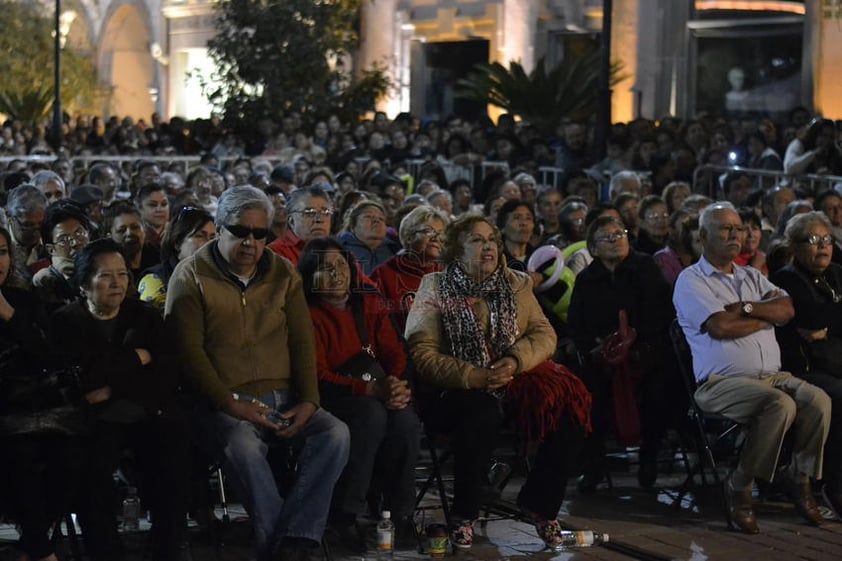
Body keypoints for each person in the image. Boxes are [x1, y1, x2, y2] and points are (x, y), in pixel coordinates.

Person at [165, 186, 349, 561]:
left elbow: (301, 342)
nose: (251, 242)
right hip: (224, 399)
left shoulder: (283, 272)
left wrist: (310, 401)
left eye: (260, 233)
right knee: (244, 447)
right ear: (219, 229)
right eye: (240, 232)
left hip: (284, 396)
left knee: (336, 433)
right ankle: (290, 544)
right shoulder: (191, 275)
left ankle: (291, 539)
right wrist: (230, 403)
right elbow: (189, 354)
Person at [405, 214, 591, 551]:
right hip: (457, 388)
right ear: (456, 249)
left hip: (514, 379)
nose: (487, 245)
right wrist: (474, 375)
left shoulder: (517, 282)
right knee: (481, 414)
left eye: (491, 239)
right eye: (476, 240)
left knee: (567, 412)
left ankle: (539, 504)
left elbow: (543, 333)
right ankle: (464, 514)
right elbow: (423, 352)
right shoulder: (435, 286)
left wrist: (515, 360)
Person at [674, 202, 831, 534]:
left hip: (772, 376)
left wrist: (746, 308)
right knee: (780, 404)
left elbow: (787, 310)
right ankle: (740, 485)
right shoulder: (691, 280)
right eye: (726, 228)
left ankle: (798, 477)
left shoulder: (750, 276)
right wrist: (763, 318)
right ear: (703, 236)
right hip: (720, 383)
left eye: (739, 228)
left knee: (819, 401)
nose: (736, 235)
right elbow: (720, 327)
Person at [51, 239, 190, 561]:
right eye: (106, 276)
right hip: (95, 421)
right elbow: (82, 380)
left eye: (122, 274)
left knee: (175, 461)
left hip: (148, 412)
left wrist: (113, 387)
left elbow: (166, 374)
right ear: (85, 284)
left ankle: (164, 551)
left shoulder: (144, 317)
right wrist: (136, 359)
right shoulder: (66, 321)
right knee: (89, 476)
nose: (117, 283)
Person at [298, 238, 420, 551]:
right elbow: (317, 375)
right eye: (325, 268)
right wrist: (369, 389)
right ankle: (344, 515)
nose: (336, 274)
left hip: (377, 387)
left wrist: (396, 385)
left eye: (341, 265)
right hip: (332, 394)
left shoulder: (366, 301)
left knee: (405, 420)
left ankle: (399, 514)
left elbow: (394, 351)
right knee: (370, 415)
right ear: (310, 275)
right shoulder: (306, 314)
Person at [569, 216, 681, 490]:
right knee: (586, 390)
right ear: (593, 248)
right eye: (606, 236)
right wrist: (596, 347)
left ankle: (649, 458)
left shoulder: (645, 267)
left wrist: (631, 342)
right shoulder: (587, 278)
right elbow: (576, 323)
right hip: (602, 354)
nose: (615, 239)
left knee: (662, 385)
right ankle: (594, 465)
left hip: (643, 349)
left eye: (620, 233)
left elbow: (660, 313)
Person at [0, 225, 84, 561]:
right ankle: (41, 549)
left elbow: (48, 356)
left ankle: (33, 543)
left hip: (31, 407)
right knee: (17, 456)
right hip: (6, 417)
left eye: (3, 252)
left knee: (73, 455)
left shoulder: (22, 300)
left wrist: (9, 316)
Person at [771, 211, 842, 517]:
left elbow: (820, 320)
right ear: (795, 246)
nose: (822, 246)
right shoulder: (786, 278)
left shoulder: (838, 272)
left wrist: (828, 326)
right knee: (839, 396)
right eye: (812, 240)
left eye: (826, 239)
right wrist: (824, 320)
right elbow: (809, 317)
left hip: (835, 360)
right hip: (804, 369)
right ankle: (831, 482)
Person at [370, 205, 449, 332]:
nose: (436, 238)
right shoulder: (383, 275)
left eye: (440, 233)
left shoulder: (447, 274)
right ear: (409, 236)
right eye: (428, 231)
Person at [138, 206, 216, 312]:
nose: (208, 243)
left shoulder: (219, 277)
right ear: (177, 243)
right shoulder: (156, 281)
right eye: (199, 236)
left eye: (212, 238)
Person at [32, 200, 91, 313]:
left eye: (79, 233)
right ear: (51, 249)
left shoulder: (104, 266)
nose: (75, 243)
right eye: (64, 240)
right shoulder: (47, 283)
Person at [267, 185, 333, 265]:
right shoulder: (275, 253)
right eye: (310, 213)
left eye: (325, 212)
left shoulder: (338, 251)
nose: (318, 219)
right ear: (291, 221)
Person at [337, 200, 399, 275]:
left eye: (381, 219)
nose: (376, 220)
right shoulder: (338, 250)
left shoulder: (395, 249)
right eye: (368, 216)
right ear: (353, 226)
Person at [6, 184, 49, 289]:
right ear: (9, 216)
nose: (35, 232)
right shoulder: (3, 243)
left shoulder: (52, 239)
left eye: (40, 224)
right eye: (27, 225)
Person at [135, 182, 171, 247]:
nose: (159, 209)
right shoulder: (135, 234)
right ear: (139, 208)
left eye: (164, 204)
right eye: (153, 205)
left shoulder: (177, 231)